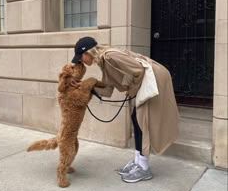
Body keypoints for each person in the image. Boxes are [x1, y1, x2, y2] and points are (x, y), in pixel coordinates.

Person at [71, 36, 179, 183]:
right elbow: (108, 89)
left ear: (87, 53)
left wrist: (132, 90)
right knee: (136, 118)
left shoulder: (109, 57)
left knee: (141, 121)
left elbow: (139, 71)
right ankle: (138, 162)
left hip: (155, 79)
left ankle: (144, 168)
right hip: (146, 79)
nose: (80, 61)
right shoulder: (104, 61)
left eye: (80, 57)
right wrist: (84, 86)